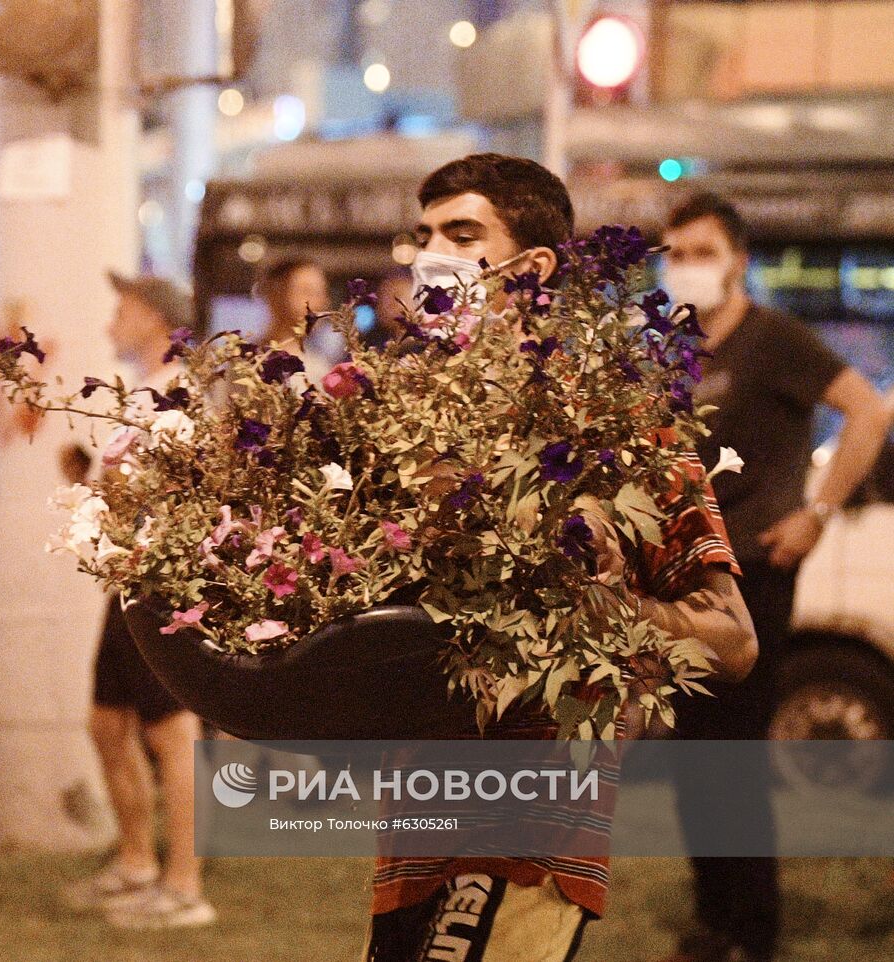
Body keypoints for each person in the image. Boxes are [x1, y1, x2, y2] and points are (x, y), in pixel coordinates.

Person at [364, 154, 760, 962]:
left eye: (462, 233)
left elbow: (733, 640)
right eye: (425, 234)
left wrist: (593, 609)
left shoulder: (618, 422)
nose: (433, 253)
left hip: (534, 816)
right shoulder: (404, 421)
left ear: (533, 266)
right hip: (413, 819)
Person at [656, 194, 892, 962]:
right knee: (693, 753)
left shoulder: (774, 340)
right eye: (674, 251)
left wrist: (816, 513)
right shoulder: (679, 347)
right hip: (684, 575)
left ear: (737, 260)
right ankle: (712, 917)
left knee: (736, 753)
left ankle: (754, 930)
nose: (684, 265)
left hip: (755, 570)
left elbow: (867, 412)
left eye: (699, 250)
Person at [61, 271, 216, 930]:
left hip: (163, 582)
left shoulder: (181, 394)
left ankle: (185, 887)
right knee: (107, 724)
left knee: (172, 735)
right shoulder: (148, 393)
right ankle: (136, 862)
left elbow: (187, 493)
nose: (110, 323)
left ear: (153, 316)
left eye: (121, 308)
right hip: (129, 581)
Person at [256, 255, 334, 379]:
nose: (320, 303)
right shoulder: (248, 363)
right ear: (275, 295)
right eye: (308, 292)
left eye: (321, 293)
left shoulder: (318, 369)